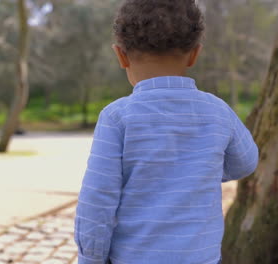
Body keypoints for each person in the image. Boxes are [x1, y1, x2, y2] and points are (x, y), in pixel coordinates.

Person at [74, 0, 259, 263]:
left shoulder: (117, 117)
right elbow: (247, 162)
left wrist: (90, 258)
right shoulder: (217, 110)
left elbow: (98, 200)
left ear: (121, 55)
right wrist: (199, 171)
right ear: (195, 54)